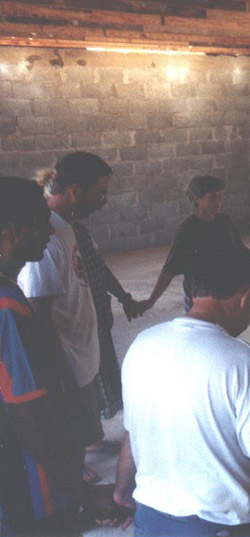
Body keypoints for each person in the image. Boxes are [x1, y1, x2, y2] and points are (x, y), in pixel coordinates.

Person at [113, 247, 250, 537]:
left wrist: (122, 493)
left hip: (150, 524)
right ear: (246, 297)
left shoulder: (141, 345)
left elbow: (132, 434)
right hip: (219, 528)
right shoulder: (242, 361)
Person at [0, 177, 125, 535]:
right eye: (41, 223)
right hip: (31, 494)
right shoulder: (8, 307)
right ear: (13, 229)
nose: (48, 233)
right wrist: (83, 493)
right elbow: (27, 415)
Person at [17, 152, 118, 480]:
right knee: (69, 425)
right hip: (67, 363)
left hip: (82, 352)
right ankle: (76, 477)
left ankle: (85, 450)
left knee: (87, 414)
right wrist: (58, 375)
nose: (103, 202)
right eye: (99, 194)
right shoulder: (44, 239)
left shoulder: (66, 227)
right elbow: (37, 317)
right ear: (75, 190)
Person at [139, 175, 250, 314]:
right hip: (199, 296)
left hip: (225, 290)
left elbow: (240, 250)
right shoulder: (188, 228)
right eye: (212, 197)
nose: (218, 202)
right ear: (197, 198)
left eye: (220, 196)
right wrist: (152, 300)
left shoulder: (224, 221)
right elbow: (169, 269)